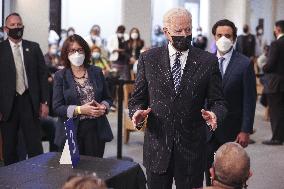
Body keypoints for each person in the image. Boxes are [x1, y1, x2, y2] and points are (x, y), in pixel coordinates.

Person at [128, 8, 227, 189]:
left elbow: (218, 101)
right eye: (178, 31)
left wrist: (215, 114)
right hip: (157, 149)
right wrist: (136, 114)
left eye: (188, 30)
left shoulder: (208, 61)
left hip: (192, 150)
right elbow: (136, 100)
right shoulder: (148, 59)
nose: (184, 35)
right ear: (166, 32)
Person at [205, 19, 256, 186]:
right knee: (210, 172)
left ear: (234, 38)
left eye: (227, 35)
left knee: (232, 175)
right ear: (214, 37)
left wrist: (246, 129)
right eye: (219, 35)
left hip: (232, 130)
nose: (223, 38)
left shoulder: (244, 63)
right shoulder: (205, 61)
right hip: (208, 130)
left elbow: (249, 99)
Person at [0, 13, 49, 165]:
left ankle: (37, 181)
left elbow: (43, 76)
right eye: (12, 25)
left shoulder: (33, 48)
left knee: (35, 146)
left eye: (19, 24)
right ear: (5, 29)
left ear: (23, 26)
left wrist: (44, 102)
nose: (16, 28)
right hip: (7, 105)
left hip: (30, 101)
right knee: (10, 148)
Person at [53, 34, 113, 157]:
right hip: (71, 129)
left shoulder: (96, 72)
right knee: (71, 172)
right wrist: (80, 110)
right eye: (72, 50)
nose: (77, 54)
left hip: (95, 129)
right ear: (66, 53)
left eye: (80, 50)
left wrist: (103, 106)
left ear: (85, 51)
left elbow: (108, 98)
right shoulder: (60, 76)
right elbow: (57, 107)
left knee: (94, 171)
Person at [262, 20, 284, 145]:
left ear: (278, 29)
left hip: (276, 83)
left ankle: (277, 138)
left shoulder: (276, 44)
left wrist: (264, 67)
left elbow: (270, 65)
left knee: (275, 111)